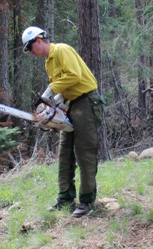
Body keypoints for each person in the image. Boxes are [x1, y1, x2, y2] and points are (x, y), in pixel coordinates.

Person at [22, 26, 104, 218]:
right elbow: (64, 87)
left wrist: (50, 91)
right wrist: (54, 107)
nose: (32, 53)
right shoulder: (48, 63)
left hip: (86, 102)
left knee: (85, 152)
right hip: (71, 104)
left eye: (31, 48)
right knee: (65, 152)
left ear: (39, 41)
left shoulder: (62, 50)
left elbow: (74, 76)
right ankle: (65, 197)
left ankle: (87, 200)